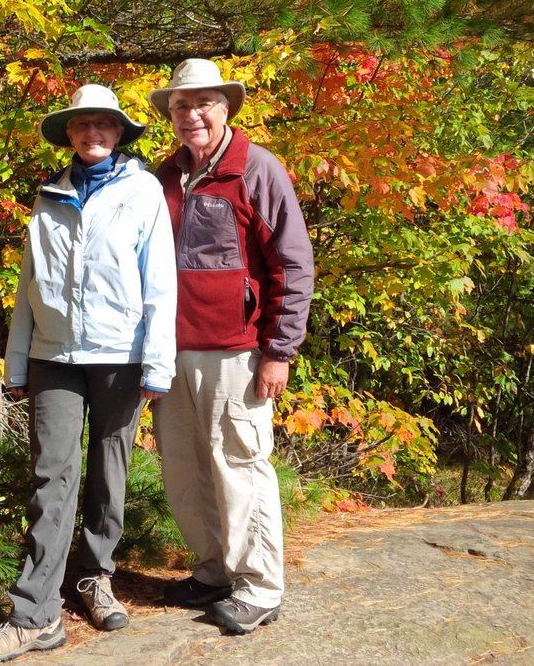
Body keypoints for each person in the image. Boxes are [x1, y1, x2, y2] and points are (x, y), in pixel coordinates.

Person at [0, 84, 177, 664]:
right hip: (53, 356)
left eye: (104, 125)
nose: (93, 134)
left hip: (121, 355)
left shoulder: (143, 194)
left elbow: (160, 282)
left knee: (111, 471)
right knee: (50, 476)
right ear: (69, 133)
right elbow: (27, 288)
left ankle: (93, 576)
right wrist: (18, 360)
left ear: (119, 133)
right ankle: (35, 615)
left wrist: (158, 362)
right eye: (83, 125)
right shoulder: (49, 195)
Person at [148, 58, 314, 635]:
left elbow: (292, 265)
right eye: (180, 106)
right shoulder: (165, 177)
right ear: (170, 115)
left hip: (238, 350)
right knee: (186, 469)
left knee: (239, 465)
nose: (192, 114)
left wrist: (279, 350)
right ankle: (215, 570)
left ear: (225, 109)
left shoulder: (257, 169)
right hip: (171, 354)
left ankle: (260, 585)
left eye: (203, 104)